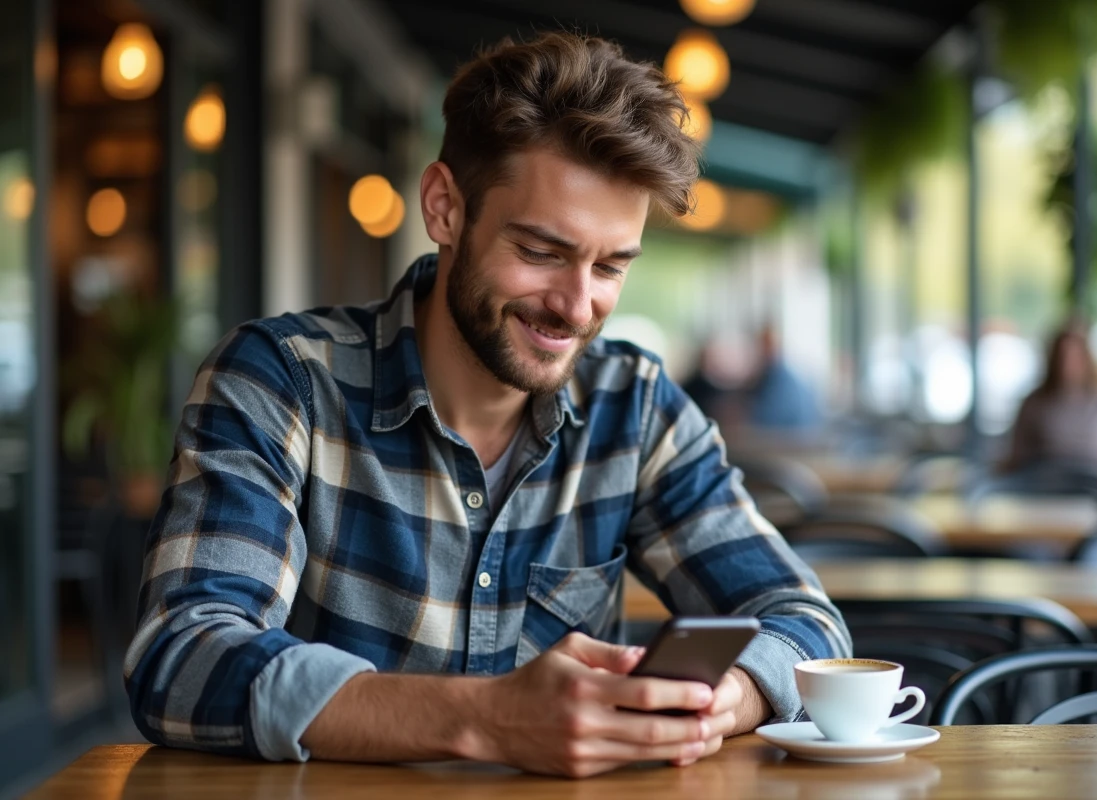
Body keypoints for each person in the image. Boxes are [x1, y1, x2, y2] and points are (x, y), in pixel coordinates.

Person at [124, 32, 850, 778]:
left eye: (610, 265)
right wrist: (486, 719)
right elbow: (181, 656)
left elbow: (808, 623)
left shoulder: (636, 411)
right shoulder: (281, 382)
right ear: (445, 208)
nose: (576, 305)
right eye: (540, 252)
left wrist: (723, 699)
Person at [1006, 324, 1097, 477]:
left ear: (1086, 360)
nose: (1067, 365)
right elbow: (1016, 455)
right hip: (1045, 489)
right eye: (1063, 357)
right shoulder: (1035, 403)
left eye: (1074, 357)